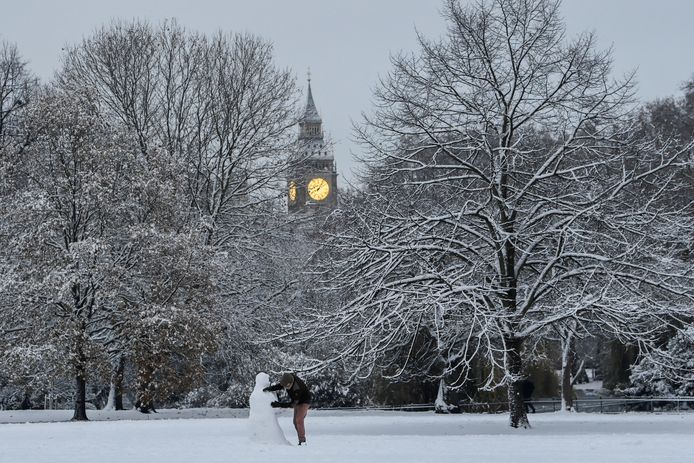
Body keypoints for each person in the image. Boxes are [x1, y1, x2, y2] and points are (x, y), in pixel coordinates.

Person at [264, 372, 311, 445]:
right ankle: (301, 440)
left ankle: (302, 441)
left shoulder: (297, 388)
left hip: (304, 401)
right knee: (295, 422)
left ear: (291, 383)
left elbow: (292, 404)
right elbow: (281, 385)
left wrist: (279, 404)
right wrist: (270, 389)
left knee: (299, 420)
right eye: (285, 386)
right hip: (297, 400)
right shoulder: (287, 379)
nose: (286, 388)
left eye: (287, 386)